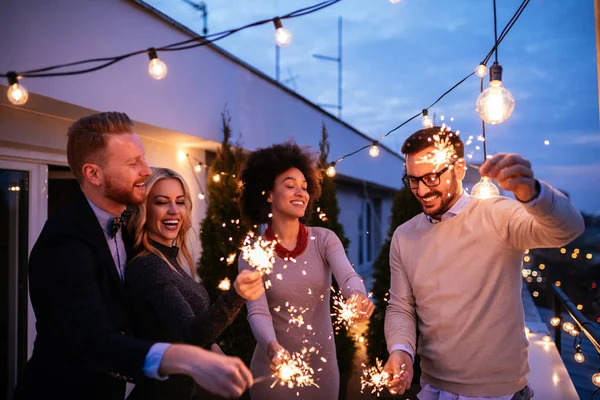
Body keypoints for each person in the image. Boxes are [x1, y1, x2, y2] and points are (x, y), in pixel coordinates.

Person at [14, 112, 253, 400]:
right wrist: (188, 359)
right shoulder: (65, 243)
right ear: (93, 174)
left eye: (143, 158)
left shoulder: (127, 234)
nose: (145, 170)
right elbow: (93, 341)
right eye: (133, 163)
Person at [383, 126, 585, 399]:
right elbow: (401, 306)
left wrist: (533, 192)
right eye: (412, 180)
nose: (420, 190)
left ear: (459, 169)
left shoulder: (499, 215)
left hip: (500, 392)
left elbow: (569, 229)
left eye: (431, 177)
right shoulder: (404, 236)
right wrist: (400, 350)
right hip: (432, 388)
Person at [237, 141, 375, 399]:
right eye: (290, 186)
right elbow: (257, 311)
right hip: (272, 372)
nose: (300, 192)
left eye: (304, 186)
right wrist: (272, 348)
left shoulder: (323, 239)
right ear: (267, 194)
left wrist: (357, 296)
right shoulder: (252, 252)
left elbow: (348, 276)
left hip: (322, 373)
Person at [124, 167, 265, 399]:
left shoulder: (170, 261)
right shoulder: (148, 267)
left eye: (179, 202)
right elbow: (191, 335)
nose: (173, 211)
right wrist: (236, 295)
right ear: (144, 209)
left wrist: (212, 348)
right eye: (161, 202)